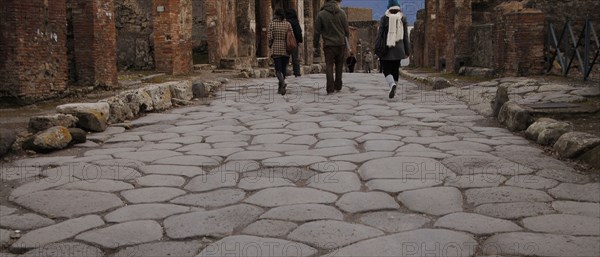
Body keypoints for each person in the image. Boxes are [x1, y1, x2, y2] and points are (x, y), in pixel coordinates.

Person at [375, 0, 410, 99]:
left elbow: (379, 35)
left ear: (389, 8)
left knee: (386, 70)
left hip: (386, 49)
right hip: (399, 50)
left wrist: (376, 49)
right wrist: (407, 51)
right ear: (398, 8)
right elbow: (406, 37)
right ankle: (394, 87)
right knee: (395, 70)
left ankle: (392, 85)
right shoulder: (403, 18)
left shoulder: (384, 18)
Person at [314, 0, 350, 94]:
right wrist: (345, 37)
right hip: (340, 44)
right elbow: (346, 29)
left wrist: (315, 45)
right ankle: (338, 85)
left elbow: (317, 32)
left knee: (329, 66)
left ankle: (330, 88)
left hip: (328, 45)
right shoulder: (342, 13)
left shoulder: (321, 14)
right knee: (339, 65)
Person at [268, 8, 293, 95]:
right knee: (283, 69)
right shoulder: (288, 24)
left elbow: (270, 37)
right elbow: (291, 36)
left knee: (278, 70)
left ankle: (282, 83)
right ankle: (280, 88)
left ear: (276, 15)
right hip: (286, 50)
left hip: (276, 50)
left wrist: (270, 45)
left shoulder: (272, 24)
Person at [286, 9, 303, 77]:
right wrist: (299, 40)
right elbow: (298, 32)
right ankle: (297, 72)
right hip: (294, 42)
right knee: (295, 57)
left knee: (286, 57)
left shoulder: (286, 22)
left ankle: (285, 72)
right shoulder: (295, 22)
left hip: (286, 42)